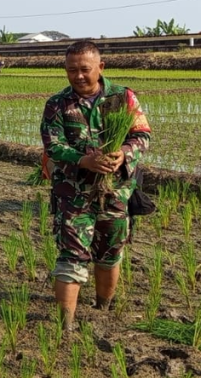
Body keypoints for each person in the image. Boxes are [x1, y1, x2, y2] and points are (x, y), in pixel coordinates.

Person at [39, 40, 151, 331]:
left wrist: (122, 155)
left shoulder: (122, 98)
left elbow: (142, 135)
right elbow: (53, 146)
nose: (78, 76)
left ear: (100, 67)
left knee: (110, 253)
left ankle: (103, 308)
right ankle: (66, 326)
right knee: (71, 256)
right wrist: (83, 161)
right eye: (71, 70)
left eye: (85, 69)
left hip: (116, 192)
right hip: (73, 195)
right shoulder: (57, 104)